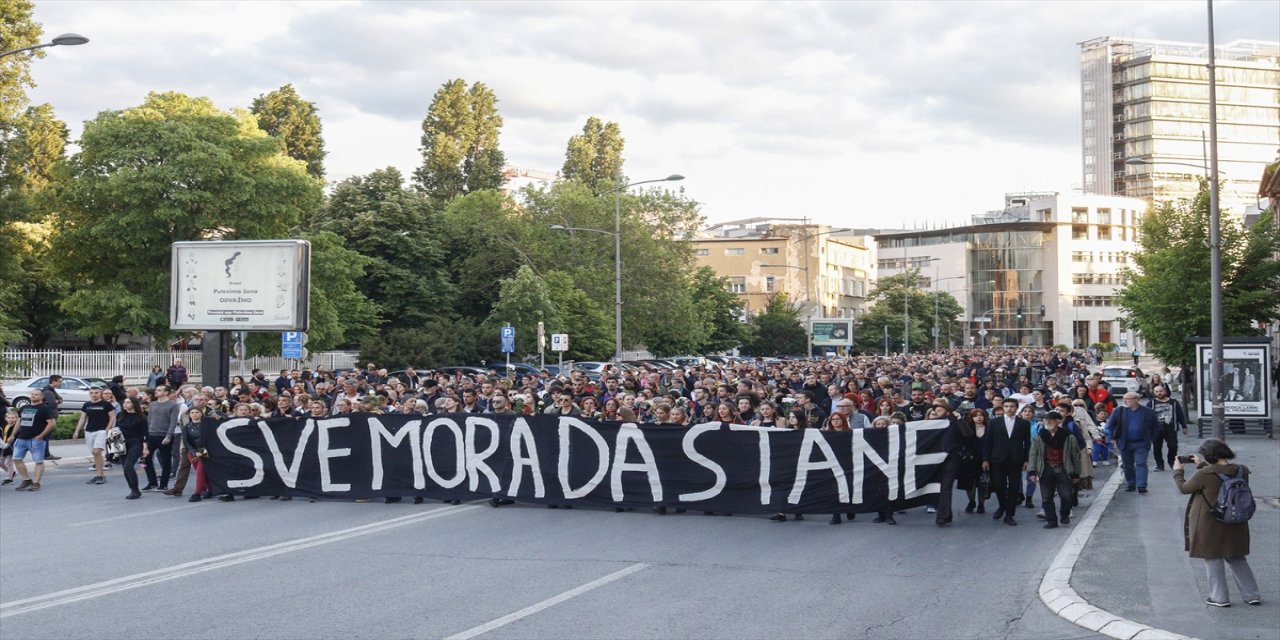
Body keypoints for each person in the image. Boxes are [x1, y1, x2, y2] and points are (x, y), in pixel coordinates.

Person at [1173, 440, 1261, 607]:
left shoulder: (1204, 474)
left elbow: (1184, 488)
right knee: (1236, 557)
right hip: (1236, 520)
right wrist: (1202, 465)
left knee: (1213, 558)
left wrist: (1178, 471)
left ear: (1209, 456)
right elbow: (1222, 476)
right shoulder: (1241, 470)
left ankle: (1219, 597)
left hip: (1210, 523)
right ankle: (1252, 595)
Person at [1027, 411, 1081, 529]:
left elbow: (1075, 456)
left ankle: (1064, 515)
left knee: (1066, 495)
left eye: (1051, 420)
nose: (1048, 422)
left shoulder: (1068, 437)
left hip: (1063, 468)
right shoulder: (1039, 437)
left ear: (1058, 421)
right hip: (1046, 468)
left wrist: (1076, 473)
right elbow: (1033, 455)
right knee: (1046, 497)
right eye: (1046, 420)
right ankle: (1051, 520)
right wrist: (1032, 471)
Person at [983, 398, 1031, 526]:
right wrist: (985, 459)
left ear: (1016, 408)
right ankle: (1002, 506)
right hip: (997, 458)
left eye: (1012, 406)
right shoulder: (994, 422)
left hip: (1016, 459)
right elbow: (988, 441)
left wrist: (1027, 460)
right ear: (1003, 408)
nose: (1009, 409)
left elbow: (1027, 443)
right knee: (998, 485)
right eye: (1006, 406)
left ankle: (1009, 514)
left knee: (1014, 487)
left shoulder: (1024, 423)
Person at [1105, 391, 1161, 494]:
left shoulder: (1148, 412)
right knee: (1127, 465)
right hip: (1125, 442)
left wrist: (1151, 438)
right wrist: (1111, 437)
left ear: (1136, 400)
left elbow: (1156, 427)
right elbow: (1110, 425)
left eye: (1128, 399)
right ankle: (1131, 484)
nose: (1125, 401)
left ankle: (1141, 486)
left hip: (1141, 443)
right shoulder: (1119, 411)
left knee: (1141, 463)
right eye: (1124, 399)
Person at [7, 390, 57, 491]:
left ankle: (36, 482)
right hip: (21, 438)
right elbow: (19, 422)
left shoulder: (44, 408)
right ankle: (26, 480)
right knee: (16, 459)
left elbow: (52, 423)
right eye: (32, 394)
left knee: (38, 461)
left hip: (36, 440)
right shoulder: (24, 408)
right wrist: (13, 435)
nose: (33, 396)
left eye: (36, 394)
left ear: (42, 397)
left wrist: (41, 436)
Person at [144, 385, 183, 492]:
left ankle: (164, 484)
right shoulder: (152, 404)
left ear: (166, 392)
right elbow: (149, 419)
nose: (156, 392)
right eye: (156, 390)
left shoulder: (173, 405)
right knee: (146, 458)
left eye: (159, 390)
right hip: (151, 434)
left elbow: (173, 421)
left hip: (164, 435)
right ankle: (152, 482)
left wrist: (169, 436)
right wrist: (146, 434)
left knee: (166, 460)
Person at [72, 388, 116, 485]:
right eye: (92, 393)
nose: (94, 395)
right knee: (94, 453)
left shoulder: (106, 404)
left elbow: (112, 417)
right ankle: (99, 475)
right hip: (89, 431)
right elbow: (82, 418)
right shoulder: (87, 405)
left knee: (97, 451)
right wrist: (77, 431)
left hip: (101, 431)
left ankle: (100, 476)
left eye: (96, 393)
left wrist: (107, 430)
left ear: (100, 393)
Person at [1147, 384, 1187, 471]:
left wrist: (1184, 426)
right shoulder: (1151, 403)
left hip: (1171, 428)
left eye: (1161, 391)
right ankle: (1160, 465)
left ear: (1165, 391)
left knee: (1173, 446)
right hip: (1156, 430)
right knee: (1157, 448)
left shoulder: (1174, 402)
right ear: (1154, 393)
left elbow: (1180, 414)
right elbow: (1146, 417)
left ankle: (1171, 461)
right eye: (1157, 392)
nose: (1159, 393)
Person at [117, 397, 150, 499]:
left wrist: (145, 448)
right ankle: (132, 489)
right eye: (124, 402)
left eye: (128, 402)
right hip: (122, 443)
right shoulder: (120, 415)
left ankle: (135, 490)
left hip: (136, 442)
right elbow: (116, 429)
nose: (125, 404)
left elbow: (145, 434)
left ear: (134, 404)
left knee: (129, 466)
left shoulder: (141, 417)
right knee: (125, 468)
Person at [957, 408, 988, 514]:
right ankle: (971, 501)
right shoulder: (968, 428)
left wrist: (986, 459)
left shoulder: (989, 428)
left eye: (981, 415)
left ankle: (981, 504)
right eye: (975, 416)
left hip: (985, 459)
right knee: (969, 483)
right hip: (969, 459)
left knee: (983, 482)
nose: (978, 418)